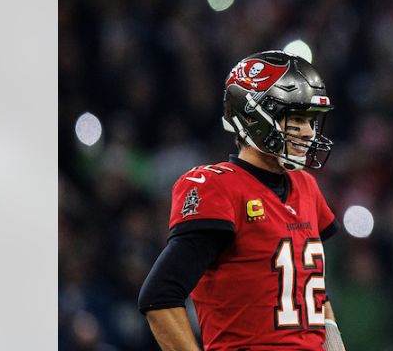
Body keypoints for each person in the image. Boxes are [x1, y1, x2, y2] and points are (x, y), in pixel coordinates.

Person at [138, 50, 348, 350]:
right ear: (253, 118)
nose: (308, 131)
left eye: (312, 120)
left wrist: (333, 339)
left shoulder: (306, 186)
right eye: (297, 119)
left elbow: (307, 291)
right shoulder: (219, 187)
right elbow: (159, 296)